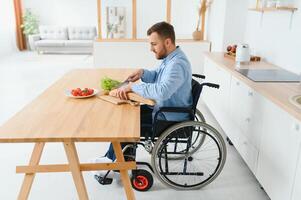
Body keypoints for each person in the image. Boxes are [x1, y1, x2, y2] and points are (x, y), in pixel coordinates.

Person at [92, 21, 193, 174]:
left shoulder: (177, 64)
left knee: (124, 125)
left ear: (167, 42)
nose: (151, 49)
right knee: (126, 114)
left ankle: (113, 162)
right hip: (162, 109)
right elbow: (158, 76)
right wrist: (142, 73)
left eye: (154, 44)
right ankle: (117, 159)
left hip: (169, 117)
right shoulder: (171, 58)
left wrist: (132, 87)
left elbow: (162, 91)